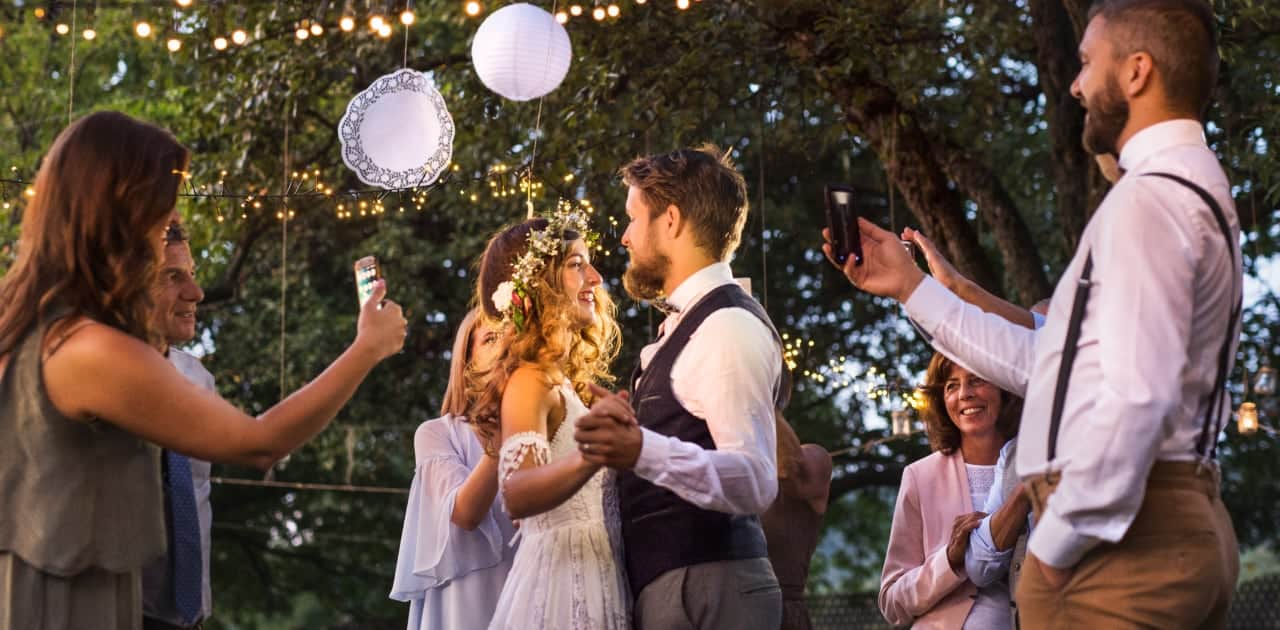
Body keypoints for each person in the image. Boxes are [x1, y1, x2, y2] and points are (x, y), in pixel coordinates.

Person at [825, 1, 1241, 626]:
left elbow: (1136, 400)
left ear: (1136, 72)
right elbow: (1049, 363)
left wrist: (1055, 540)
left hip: (1121, 549)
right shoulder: (1191, 189)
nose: (1075, 84)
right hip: (1160, 526)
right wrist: (912, 288)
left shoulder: (1148, 202)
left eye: (1085, 63)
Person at [0, 110, 406, 630]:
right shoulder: (88, 349)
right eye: (159, 216)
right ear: (121, 218)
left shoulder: (31, 330)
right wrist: (366, 348)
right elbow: (259, 443)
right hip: (68, 605)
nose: (162, 231)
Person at [574, 145, 787, 630]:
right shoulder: (691, 323)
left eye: (632, 218)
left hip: (709, 591)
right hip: (679, 588)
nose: (625, 237)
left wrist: (640, 448)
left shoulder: (727, 325)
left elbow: (756, 480)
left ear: (670, 220)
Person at [467, 212, 629, 630]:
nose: (595, 278)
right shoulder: (529, 380)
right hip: (562, 586)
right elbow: (517, 494)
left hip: (599, 575)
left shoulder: (565, 383)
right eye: (577, 264)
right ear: (538, 281)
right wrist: (597, 452)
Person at [391, 308, 518, 630]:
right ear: (467, 362)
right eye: (490, 338)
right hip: (466, 605)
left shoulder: (549, 430)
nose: (504, 347)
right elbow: (464, 515)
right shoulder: (439, 433)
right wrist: (500, 442)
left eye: (512, 336)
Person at [879, 353, 1021, 629]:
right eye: (951, 386)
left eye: (976, 380)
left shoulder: (1034, 464)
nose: (965, 394)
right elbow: (891, 603)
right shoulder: (920, 477)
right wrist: (949, 561)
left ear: (1004, 388)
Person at [141, 219, 215, 630]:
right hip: (119, 607)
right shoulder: (96, 375)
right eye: (173, 276)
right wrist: (364, 351)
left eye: (192, 274)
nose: (195, 293)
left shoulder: (199, 377)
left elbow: (258, 444)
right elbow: (261, 445)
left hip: (191, 612)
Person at [761, 414, 833, 630]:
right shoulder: (751, 478)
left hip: (784, 613)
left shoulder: (816, 459)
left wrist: (761, 396)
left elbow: (791, 467)